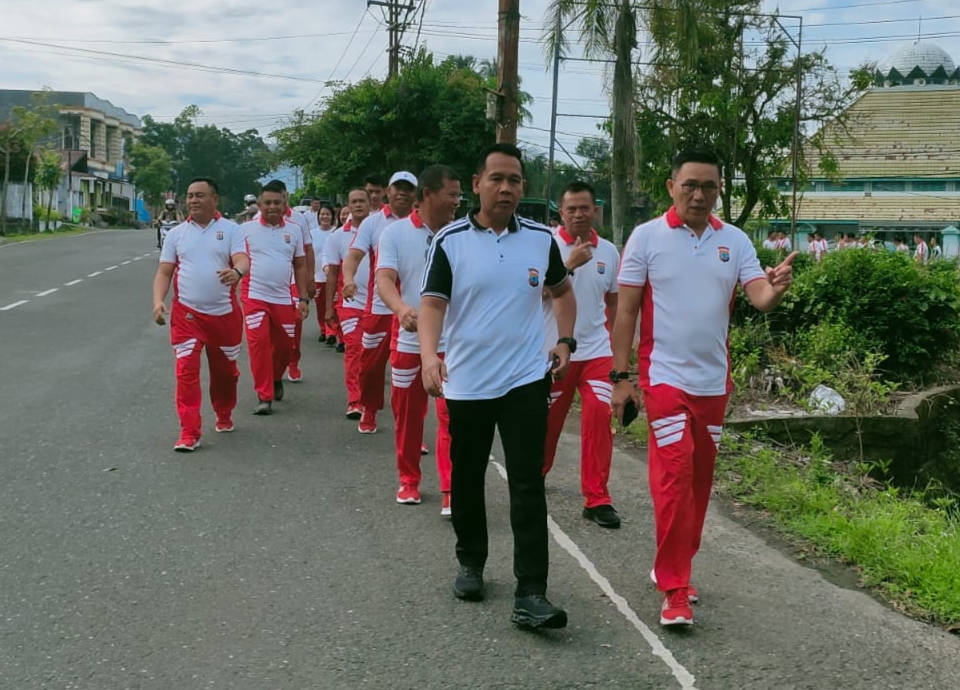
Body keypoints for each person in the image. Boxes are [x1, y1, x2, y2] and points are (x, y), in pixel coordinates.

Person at [610, 149, 797, 628]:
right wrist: (621, 377)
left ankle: (674, 565)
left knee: (696, 482)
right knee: (674, 476)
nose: (698, 194)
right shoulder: (646, 237)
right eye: (690, 184)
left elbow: (760, 297)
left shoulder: (734, 241)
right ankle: (675, 587)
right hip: (663, 378)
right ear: (671, 186)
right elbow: (626, 312)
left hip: (713, 384)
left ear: (719, 191)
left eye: (709, 186)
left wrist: (776, 288)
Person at [420, 143, 576, 630]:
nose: (506, 188)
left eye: (515, 180)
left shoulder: (541, 239)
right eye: (497, 179)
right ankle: (471, 562)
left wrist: (565, 340)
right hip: (467, 382)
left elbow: (562, 291)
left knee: (527, 482)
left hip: (525, 379)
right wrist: (429, 356)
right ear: (477, 184)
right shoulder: (449, 241)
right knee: (467, 477)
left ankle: (532, 592)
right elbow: (432, 303)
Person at [376, 165, 460, 512]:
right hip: (409, 341)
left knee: (451, 417)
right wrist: (400, 309)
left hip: (452, 344)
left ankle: (451, 489)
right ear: (428, 195)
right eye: (451, 195)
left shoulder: (461, 234)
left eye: (459, 195)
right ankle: (409, 480)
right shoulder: (395, 234)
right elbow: (384, 279)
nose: (457, 202)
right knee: (409, 418)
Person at [542, 181, 622, 528]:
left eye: (584, 208)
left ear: (595, 212)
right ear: (560, 211)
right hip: (553, 352)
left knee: (599, 417)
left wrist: (616, 346)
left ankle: (597, 498)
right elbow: (533, 295)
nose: (578, 214)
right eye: (571, 208)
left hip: (596, 353)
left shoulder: (609, 252)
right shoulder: (544, 245)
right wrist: (568, 265)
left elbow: (615, 301)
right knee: (546, 425)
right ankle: (535, 475)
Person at [151, 178, 248, 451]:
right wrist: (158, 301)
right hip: (187, 315)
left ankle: (224, 412)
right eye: (190, 195)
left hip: (224, 315)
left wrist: (237, 272)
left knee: (225, 373)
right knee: (185, 372)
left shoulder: (231, 230)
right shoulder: (176, 234)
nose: (193, 200)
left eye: (200, 195)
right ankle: (189, 432)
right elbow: (164, 272)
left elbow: (242, 259)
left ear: (214, 199)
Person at [342, 171, 417, 434]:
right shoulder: (373, 223)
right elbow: (353, 256)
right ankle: (369, 409)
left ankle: (410, 429)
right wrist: (348, 279)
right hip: (379, 307)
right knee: (371, 366)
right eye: (398, 188)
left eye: (408, 189)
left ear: (416, 194)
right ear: (388, 191)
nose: (402, 193)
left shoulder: (424, 223)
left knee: (408, 371)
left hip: (413, 311)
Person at [238, 181, 310, 415]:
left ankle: (276, 377)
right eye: (267, 202)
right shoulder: (245, 230)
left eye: (277, 202)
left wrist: (303, 298)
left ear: (284, 204)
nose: (272, 207)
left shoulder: (294, 230)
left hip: (283, 298)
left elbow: (300, 265)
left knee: (285, 347)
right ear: (259, 205)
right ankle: (264, 395)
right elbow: (235, 260)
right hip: (254, 296)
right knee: (258, 344)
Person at [325, 188, 372, 417]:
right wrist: (328, 308)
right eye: (354, 201)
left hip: (378, 304)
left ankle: (370, 398)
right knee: (353, 350)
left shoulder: (381, 230)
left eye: (362, 201)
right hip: (350, 304)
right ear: (348, 206)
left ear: (370, 203)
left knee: (370, 355)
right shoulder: (338, 236)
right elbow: (333, 273)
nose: (358, 205)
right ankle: (355, 400)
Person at [311, 204, 337, 345]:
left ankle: (331, 331)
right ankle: (323, 329)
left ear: (332, 217)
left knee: (333, 304)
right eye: (322, 214)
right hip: (318, 276)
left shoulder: (336, 233)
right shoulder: (312, 233)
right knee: (320, 305)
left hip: (333, 276)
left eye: (328, 214)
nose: (325, 217)